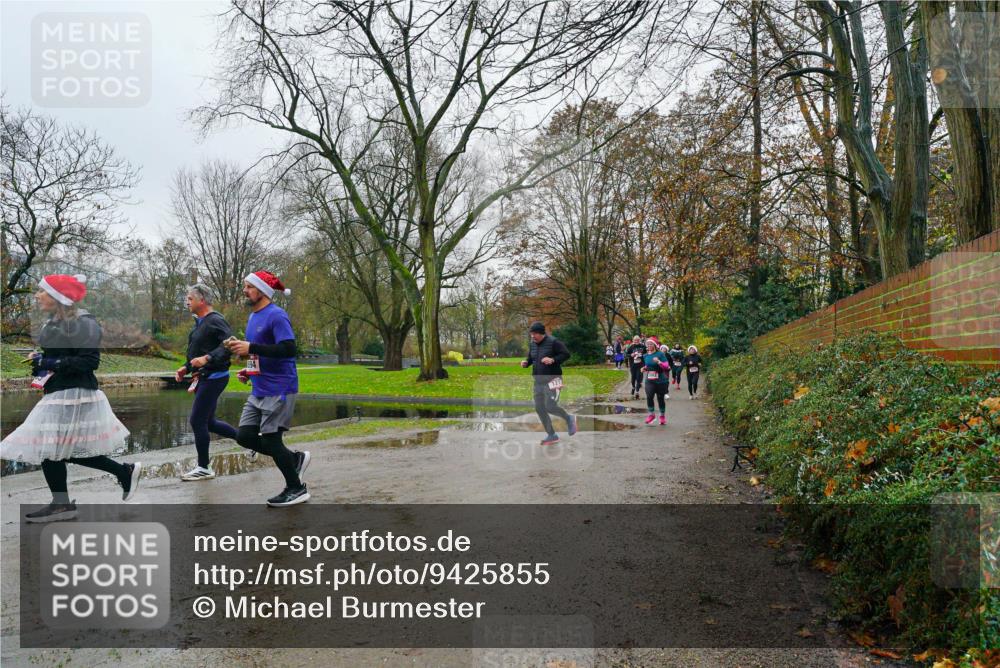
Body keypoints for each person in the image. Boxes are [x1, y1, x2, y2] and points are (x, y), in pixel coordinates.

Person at [2, 274, 140, 522]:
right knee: (57, 449)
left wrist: (50, 361)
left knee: (51, 448)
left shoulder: (84, 323)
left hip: (77, 393)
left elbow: (90, 362)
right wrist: (40, 363)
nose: (37, 296)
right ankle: (113, 477)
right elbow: (58, 356)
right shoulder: (53, 323)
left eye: (42, 291)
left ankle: (64, 502)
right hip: (58, 391)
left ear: (58, 297)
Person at [225, 271, 310, 506]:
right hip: (259, 388)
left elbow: (289, 349)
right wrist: (249, 371)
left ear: (262, 290)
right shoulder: (253, 317)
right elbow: (259, 351)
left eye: (249, 286)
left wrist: (251, 346)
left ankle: (296, 487)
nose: (245, 290)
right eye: (245, 286)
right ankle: (293, 459)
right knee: (244, 436)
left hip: (280, 388)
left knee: (272, 440)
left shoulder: (277, 316)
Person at [175, 284, 239, 481]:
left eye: (190, 298)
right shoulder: (200, 322)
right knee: (209, 422)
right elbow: (198, 351)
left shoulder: (215, 320)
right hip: (203, 377)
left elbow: (230, 344)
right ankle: (251, 441)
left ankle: (204, 467)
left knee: (196, 420)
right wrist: (186, 367)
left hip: (215, 377)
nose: (187, 302)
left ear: (201, 300)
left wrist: (208, 359)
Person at [521, 321, 576, 445]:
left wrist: (553, 359)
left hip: (553, 380)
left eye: (535, 334)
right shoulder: (533, 344)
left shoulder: (553, 342)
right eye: (531, 334)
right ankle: (551, 435)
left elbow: (566, 354)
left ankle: (569, 418)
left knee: (550, 406)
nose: (532, 336)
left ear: (541, 333)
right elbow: (532, 358)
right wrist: (526, 363)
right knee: (539, 408)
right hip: (538, 381)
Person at [642, 338, 671, 424]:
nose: (649, 346)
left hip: (660, 379)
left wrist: (659, 361)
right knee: (649, 396)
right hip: (649, 379)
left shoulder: (660, 354)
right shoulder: (645, 356)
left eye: (651, 344)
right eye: (648, 344)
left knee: (660, 398)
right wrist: (644, 368)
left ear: (655, 345)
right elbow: (647, 366)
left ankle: (662, 416)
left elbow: (666, 366)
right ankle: (651, 415)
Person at [625, 335, 645, 399]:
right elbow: (626, 355)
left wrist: (642, 355)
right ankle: (633, 387)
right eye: (635, 340)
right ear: (633, 340)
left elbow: (646, 354)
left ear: (639, 340)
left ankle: (637, 391)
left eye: (638, 340)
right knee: (633, 378)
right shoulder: (631, 347)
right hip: (633, 365)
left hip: (640, 365)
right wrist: (631, 355)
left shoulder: (643, 346)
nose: (636, 341)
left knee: (639, 377)